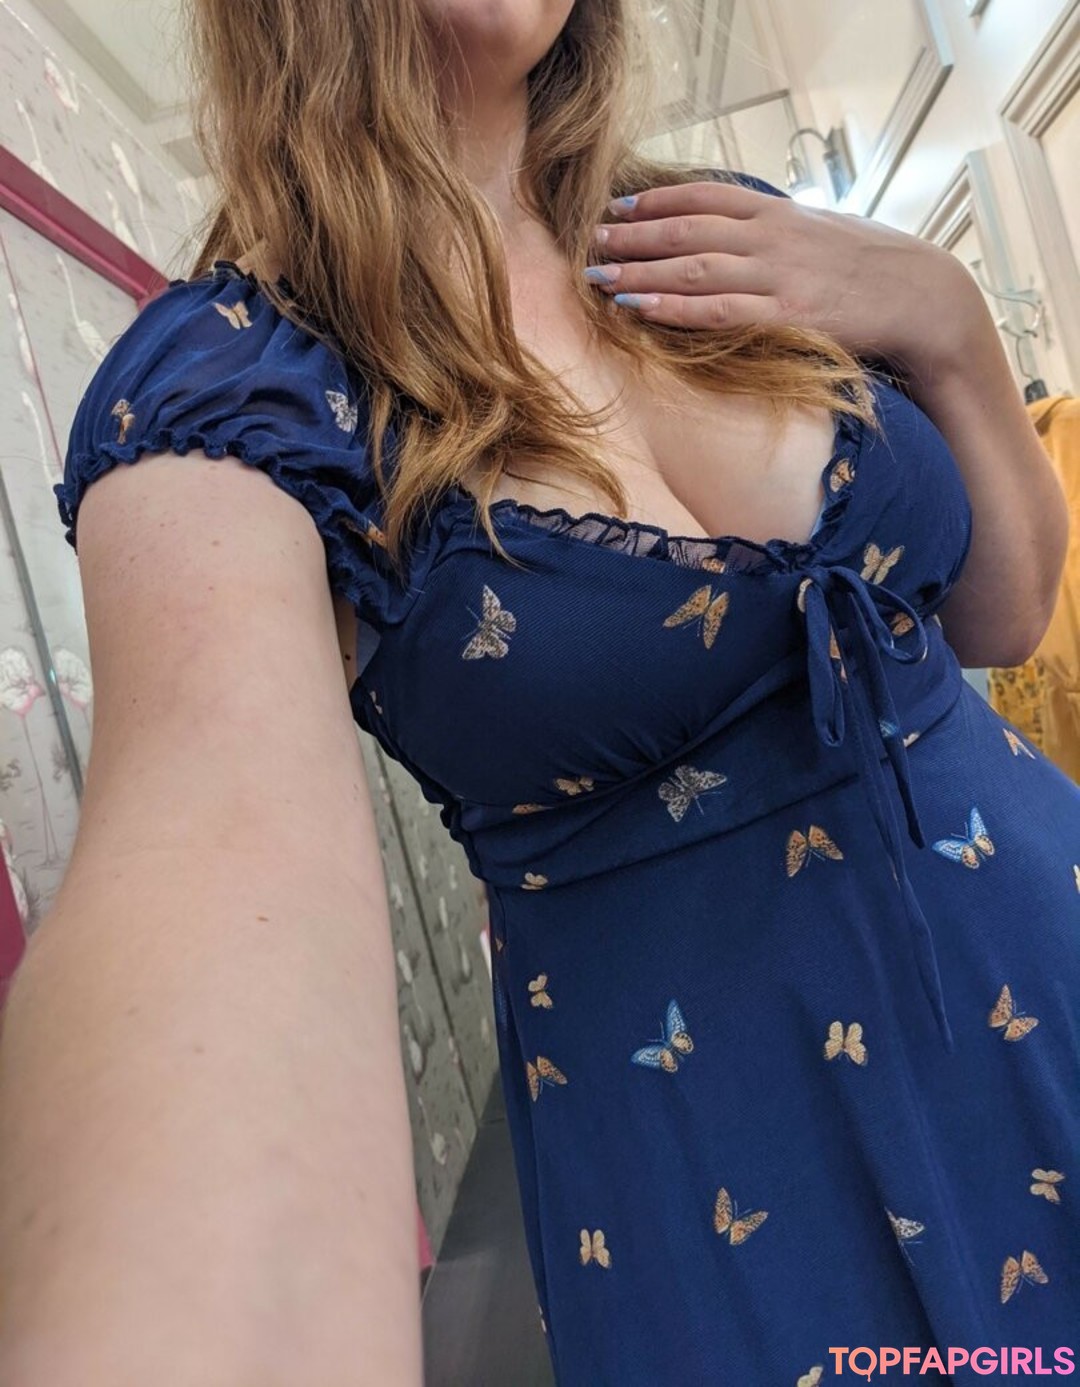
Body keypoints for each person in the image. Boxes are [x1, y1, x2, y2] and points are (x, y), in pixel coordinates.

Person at [1, 1, 1077, 1382]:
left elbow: (1002, 615)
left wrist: (947, 316)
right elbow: (198, 866)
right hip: (731, 1157)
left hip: (1046, 951)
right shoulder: (241, 385)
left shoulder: (717, 230)